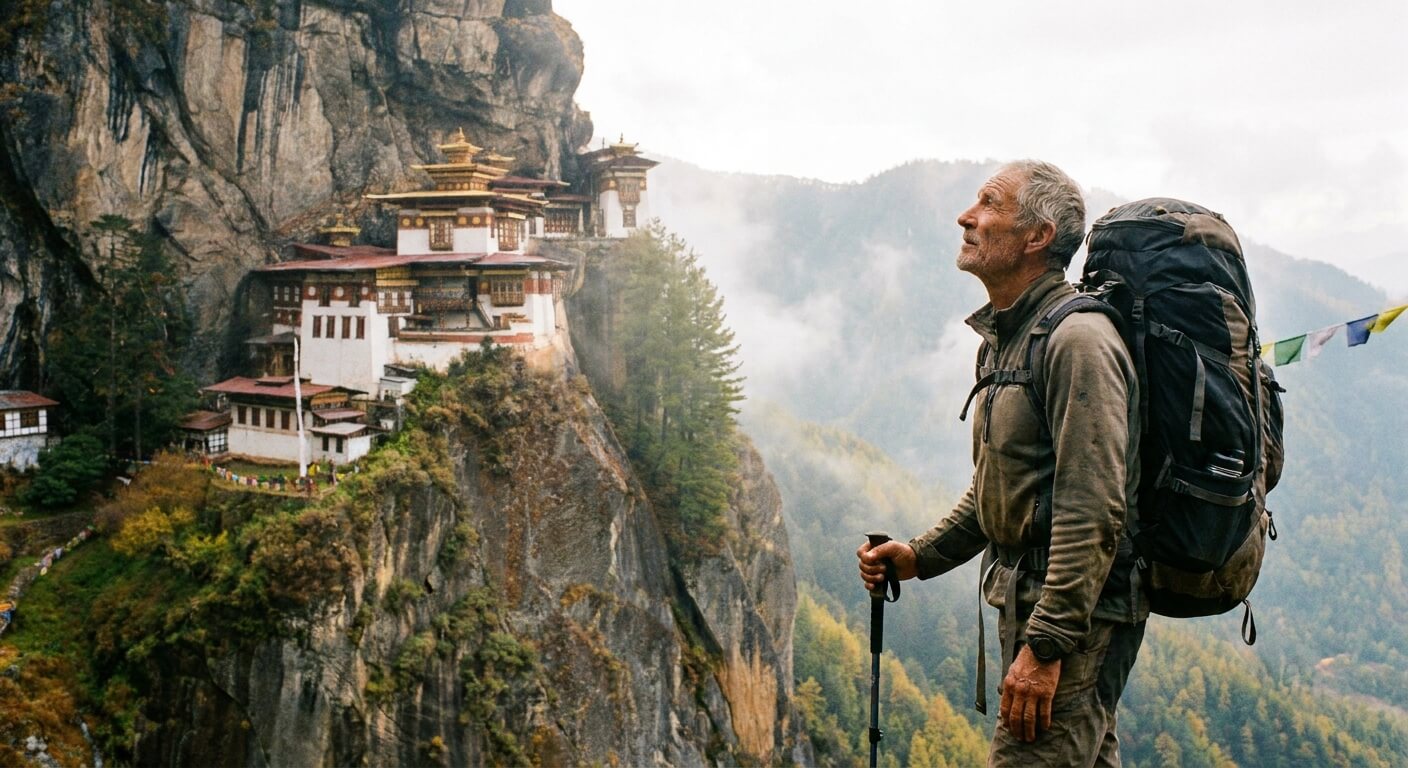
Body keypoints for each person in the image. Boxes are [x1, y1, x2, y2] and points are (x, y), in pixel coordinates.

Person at [858, 160, 1146, 766]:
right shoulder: (1008, 338)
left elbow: (1093, 507)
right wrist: (920, 555)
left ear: (1037, 235)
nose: (967, 217)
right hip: (1043, 610)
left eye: (988, 204)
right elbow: (1001, 485)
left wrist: (1045, 646)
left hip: (1071, 623)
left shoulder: (1078, 342)